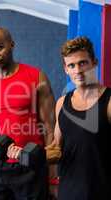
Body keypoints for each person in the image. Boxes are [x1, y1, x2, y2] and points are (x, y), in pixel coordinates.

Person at [0, 26, 55, 199]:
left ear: (12, 45)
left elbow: (49, 126)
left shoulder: (36, 77)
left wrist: (52, 174)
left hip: (30, 164)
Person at [46, 36, 111, 200]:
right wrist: (26, 154)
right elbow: (56, 148)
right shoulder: (62, 103)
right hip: (69, 192)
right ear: (65, 69)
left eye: (83, 63)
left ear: (94, 63)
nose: (78, 70)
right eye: (71, 65)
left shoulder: (109, 102)